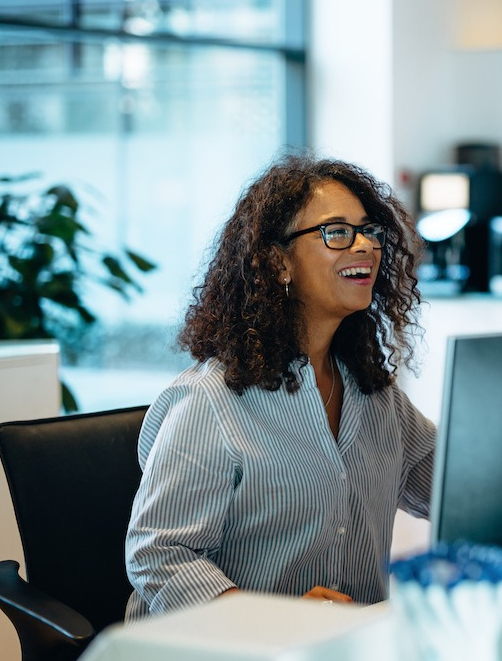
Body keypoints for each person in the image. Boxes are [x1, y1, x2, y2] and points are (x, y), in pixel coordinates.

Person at [125, 153, 436, 620]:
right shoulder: (211, 402)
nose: (365, 247)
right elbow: (159, 554)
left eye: (370, 231)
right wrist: (273, 621)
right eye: (336, 232)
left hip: (348, 647)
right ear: (276, 262)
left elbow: (458, 490)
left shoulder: (377, 397)